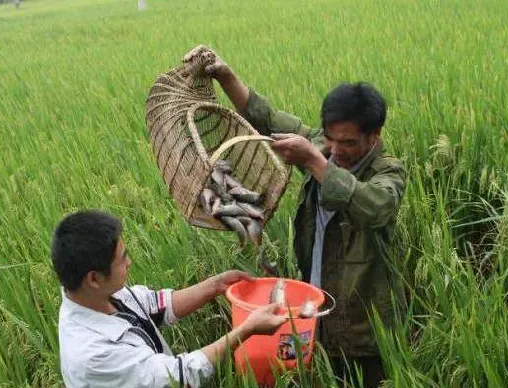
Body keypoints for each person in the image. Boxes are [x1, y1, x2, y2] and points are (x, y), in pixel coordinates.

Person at [183, 46, 407, 387]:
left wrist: (315, 162)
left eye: (347, 142)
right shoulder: (320, 145)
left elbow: (375, 207)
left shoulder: (388, 172)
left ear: (373, 137)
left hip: (365, 322)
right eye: (329, 139)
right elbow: (267, 118)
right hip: (314, 308)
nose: (335, 150)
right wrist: (226, 76)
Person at [51, 210, 287, 388]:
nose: (130, 263)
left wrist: (215, 285)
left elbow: (156, 306)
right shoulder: (93, 356)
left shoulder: (97, 294)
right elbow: (178, 376)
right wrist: (246, 330)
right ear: (93, 278)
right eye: (122, 259)